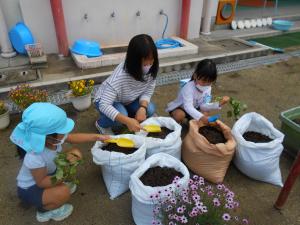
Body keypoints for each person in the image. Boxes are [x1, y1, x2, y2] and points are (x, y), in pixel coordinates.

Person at [10, 103, 109, 222]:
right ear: (47, 137)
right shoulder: (34, 157)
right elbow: (42, 182)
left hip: (47, 174)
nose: (66, 132)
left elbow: (75, 138)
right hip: (30, 189)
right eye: (63, 129)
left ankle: (56, 189)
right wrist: (66, 171)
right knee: (63, 192)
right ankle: (45, 211)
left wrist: (97, 137)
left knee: (75, 153)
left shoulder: (52, 139)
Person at [94, 34, 159, 134]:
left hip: (128, 100)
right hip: (106, 100)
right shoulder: (119, 77)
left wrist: (143, 107)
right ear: (134, 60)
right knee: (120, 119)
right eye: (145, 62)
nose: (149, 65)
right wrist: (127, 121)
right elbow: (104, 105)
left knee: (149, 109)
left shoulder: (152, 69)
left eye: (152, 60)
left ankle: (128, 116)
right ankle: (101, 123)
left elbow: (148, 91)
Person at [166, 59, 229, 124]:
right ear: (195, 75)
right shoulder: (188, 87)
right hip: (181, 108)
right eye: (203, 81)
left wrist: (218, 104)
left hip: (195, 108)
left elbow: (203, 105)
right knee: (179, 115)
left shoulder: (208, 88)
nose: (206, 85)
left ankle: (191, 121)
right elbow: (188, 107)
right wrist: (201, 117)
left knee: (206, 113)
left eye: (209, 82)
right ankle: (173, 121)